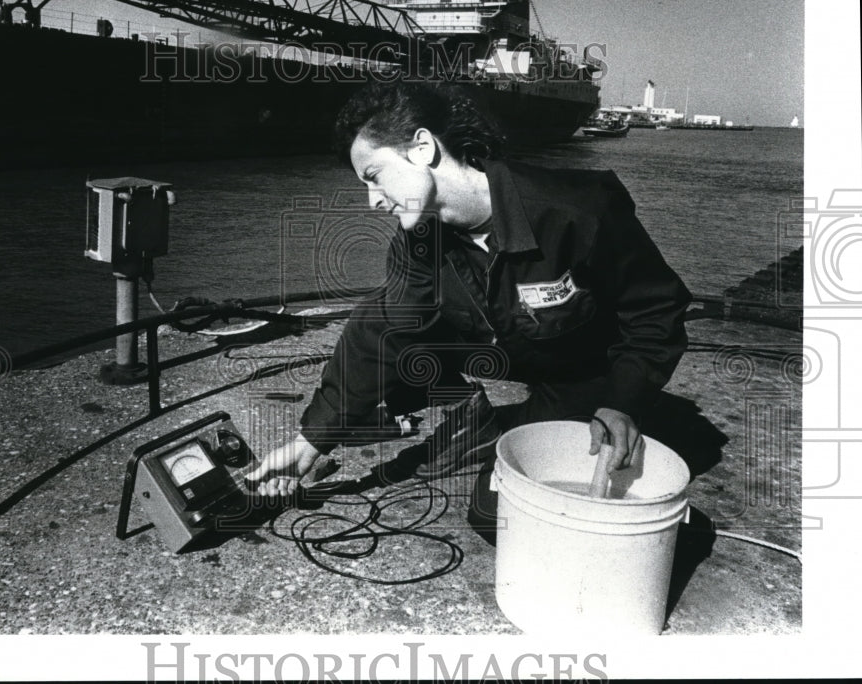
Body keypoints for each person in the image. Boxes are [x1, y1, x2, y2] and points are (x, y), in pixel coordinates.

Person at [247, 80, 690, 530]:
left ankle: (536, 420)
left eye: (375, 177)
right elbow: (383, 331)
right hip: (502, 349)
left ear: (422, 147)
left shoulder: (579, 212)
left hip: (578, 371)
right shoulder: (417, 239)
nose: (373, 201)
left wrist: (623, 401)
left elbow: (656, 311)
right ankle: (471, 415)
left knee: (496, 515)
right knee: (383, 331)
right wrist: (310, 444)